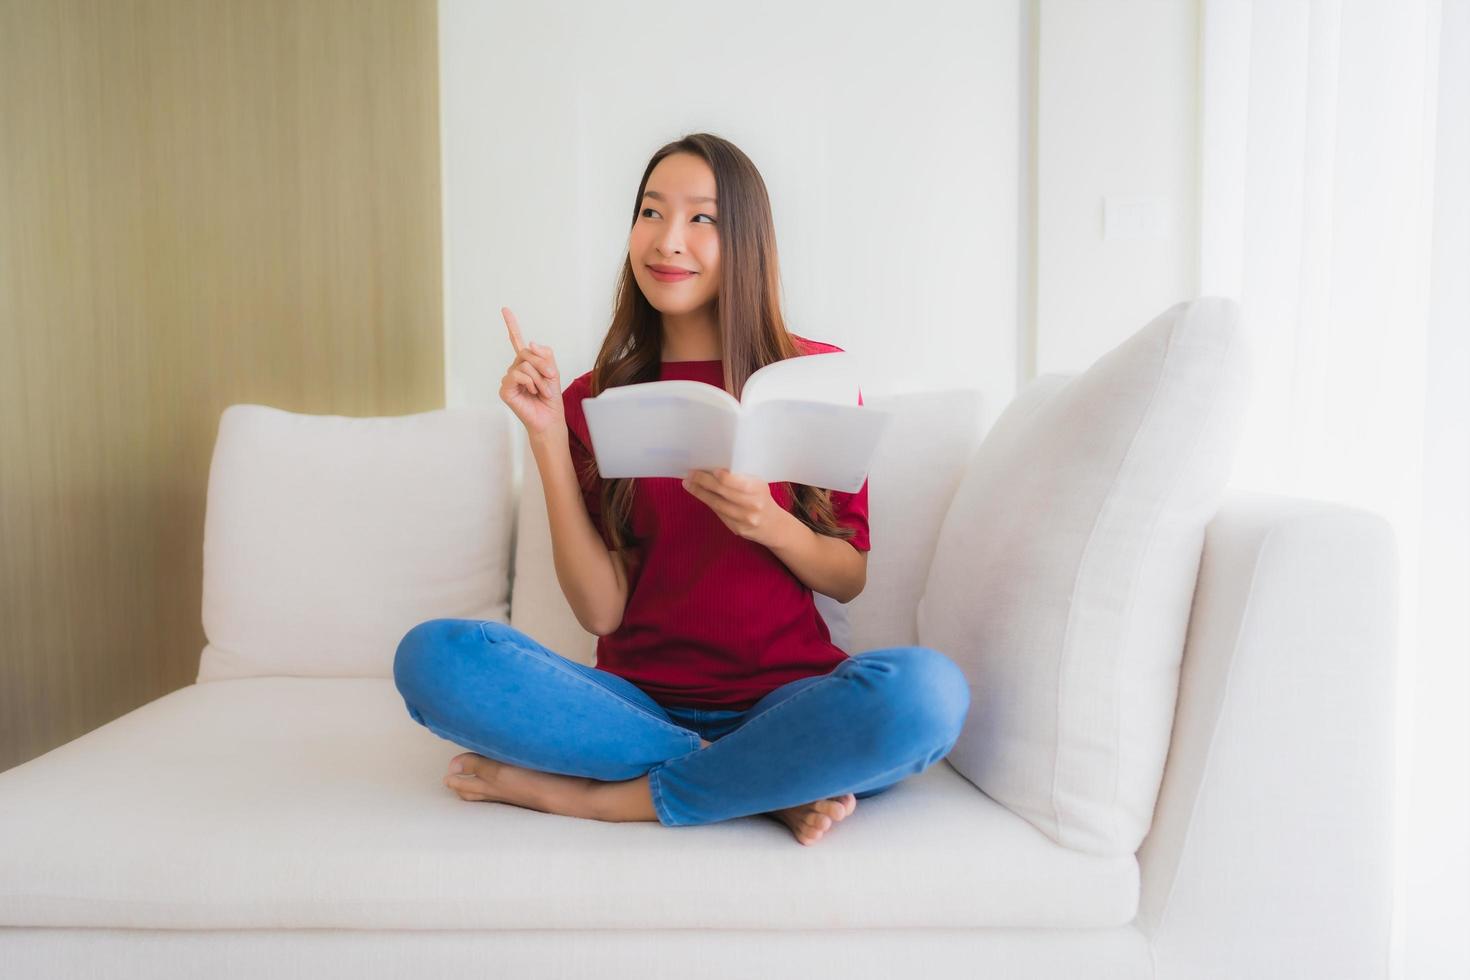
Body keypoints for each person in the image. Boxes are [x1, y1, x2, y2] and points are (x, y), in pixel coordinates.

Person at [393, 133, 970, 846]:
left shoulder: (814, 376)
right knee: (434, 659)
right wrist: (543, 437)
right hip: (631, 708)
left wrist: (771, 523)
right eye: (650, 212)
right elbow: (601, 611)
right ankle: (764, 783)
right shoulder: (593, 397)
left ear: (747, 241)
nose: (668, 241)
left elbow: (847, 577)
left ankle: (608, 801)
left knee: (929, 695)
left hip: (789, 700)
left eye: (703, 219)